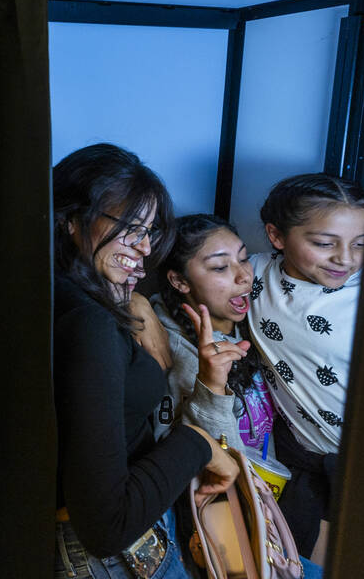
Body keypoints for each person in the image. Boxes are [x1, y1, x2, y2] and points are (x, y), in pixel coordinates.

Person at [52, 143, 241, 579]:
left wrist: (131, 301)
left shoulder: (70, 293)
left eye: (150, 230)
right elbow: (105, 525)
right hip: (113, 556)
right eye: (126, 227)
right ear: (70, 220)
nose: (142, 247)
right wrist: (198, 443)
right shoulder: (88, 323)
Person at [247, 173, 364, 561]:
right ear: (277, 236)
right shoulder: (252, 275)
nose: (345, 259)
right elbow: (186, 275)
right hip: (300, 458)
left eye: (361, 244)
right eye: (323, 243)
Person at [148, 214, 290, 482]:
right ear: (179, 281)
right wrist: (211, 386)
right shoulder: (179, 354)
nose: (244, 277)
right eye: (220, 268)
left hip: (265, 484)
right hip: (225, 496)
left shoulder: (254, 317)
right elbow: (192, 457)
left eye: (244, 258)